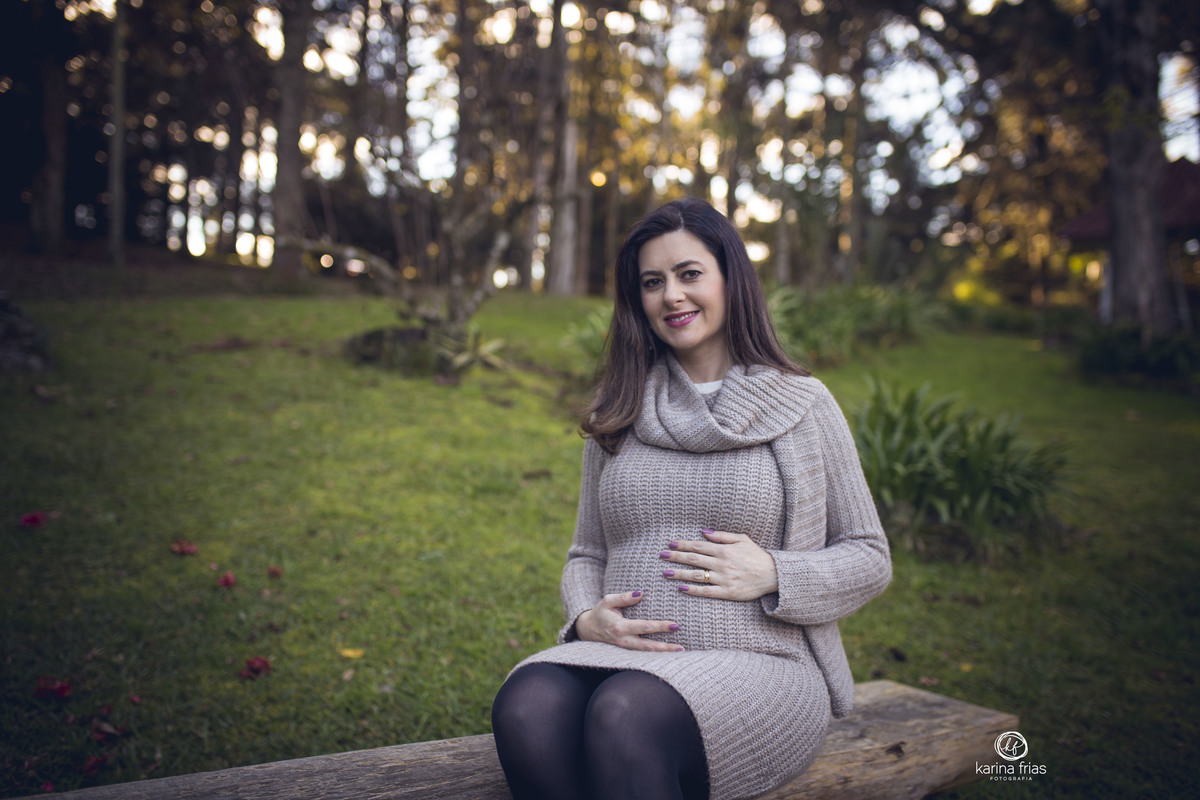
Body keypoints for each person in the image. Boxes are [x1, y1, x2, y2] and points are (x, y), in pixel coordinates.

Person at [490, 198, 891, 800]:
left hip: (762, 664)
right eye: (653, 283)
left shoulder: (802, 406)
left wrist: (776, 571)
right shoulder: (620, 410)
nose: (671, 295)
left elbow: (869, 556)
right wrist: (583, 618)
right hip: (623, 659)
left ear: (731, 278)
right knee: (526, 705)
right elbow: (585, 553)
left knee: (626, 714)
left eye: (690, 274)